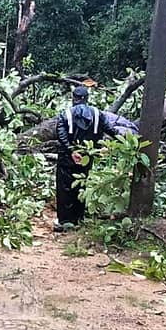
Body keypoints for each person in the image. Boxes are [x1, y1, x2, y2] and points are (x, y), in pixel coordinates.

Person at [54, 86, 118, 231]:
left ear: (73, 98)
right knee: (81, 186)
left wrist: (71, 150)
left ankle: (65, 221)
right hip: (87, 157)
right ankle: (79, 219)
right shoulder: (97, 114)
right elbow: (110, 129)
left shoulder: (66, 114)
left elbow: (61, 134)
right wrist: (123, 140)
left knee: (65, 188)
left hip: (68, 158)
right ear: (87, 98)